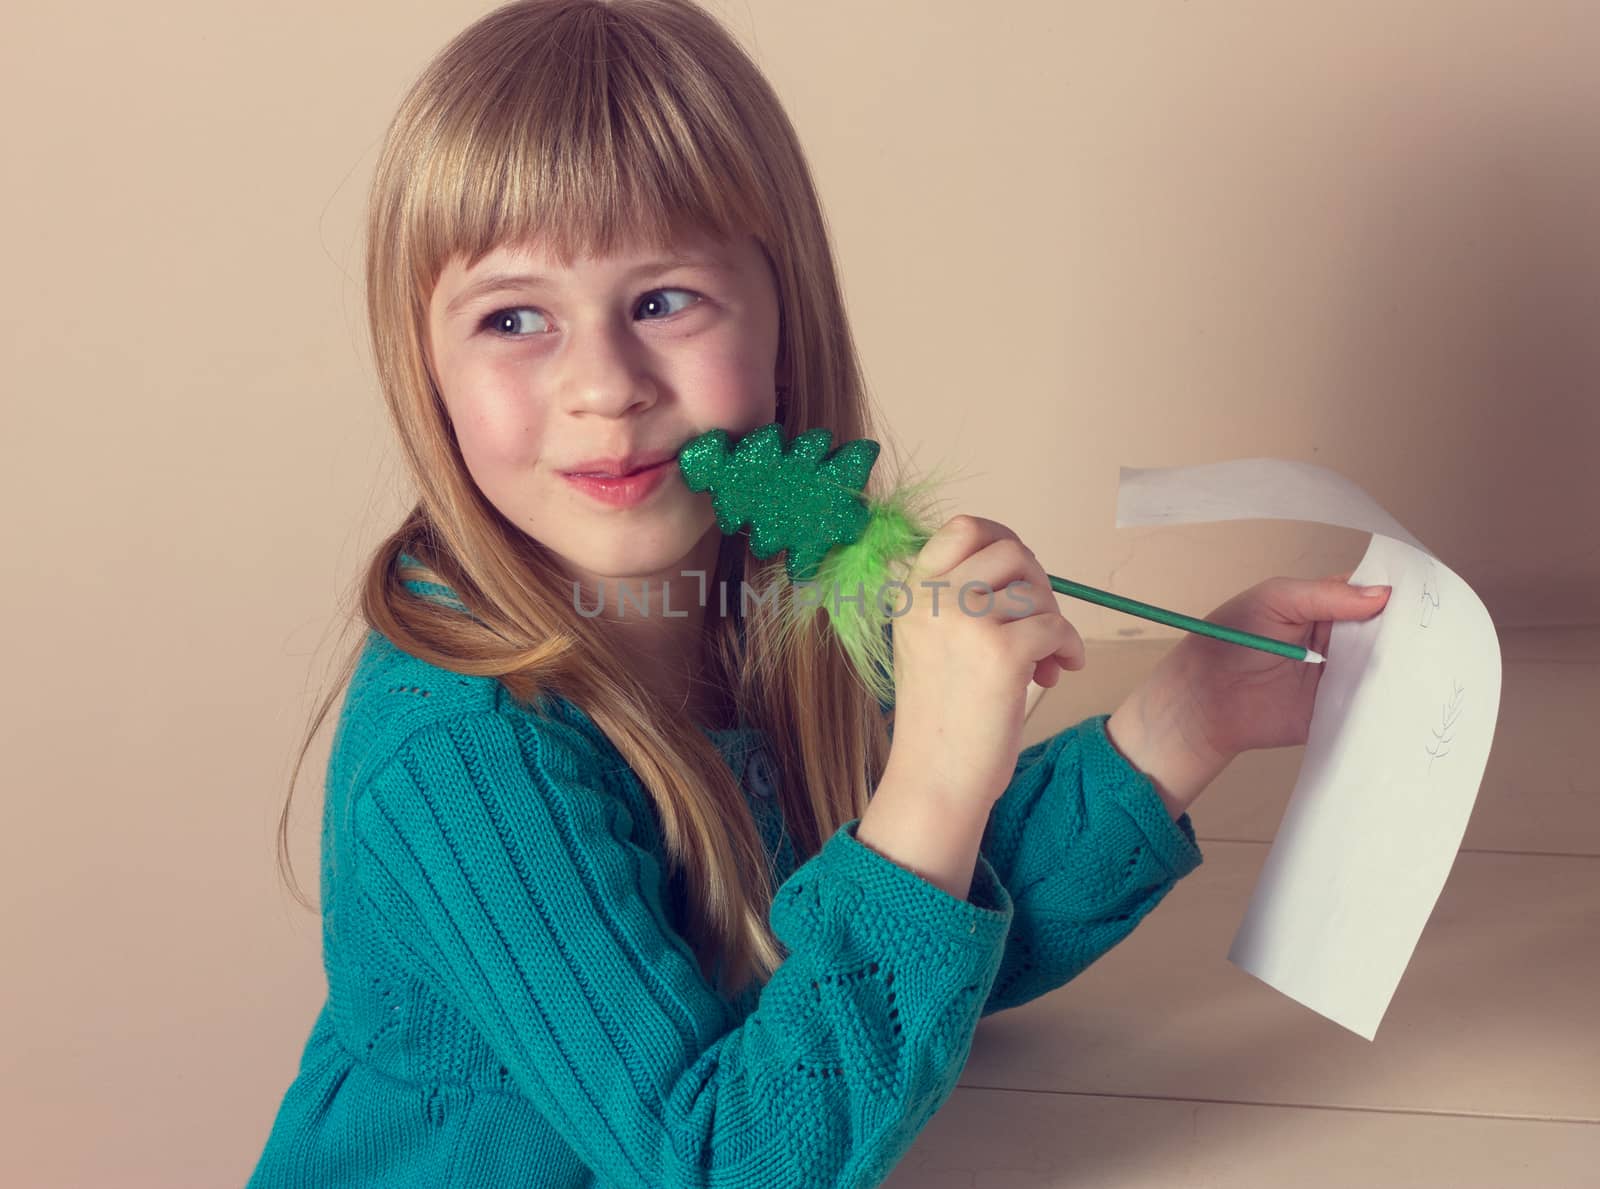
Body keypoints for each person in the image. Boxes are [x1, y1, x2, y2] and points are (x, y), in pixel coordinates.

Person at [244, 2, 1393, 1185]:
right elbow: (721, 1162)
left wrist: (1179, 723)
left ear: (782, 308)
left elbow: (924, 938)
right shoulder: (464, 753)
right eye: (514, 317)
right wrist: (938, 770)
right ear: (423, 363)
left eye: (662, 301)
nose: (603, 385)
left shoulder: (779, 611)